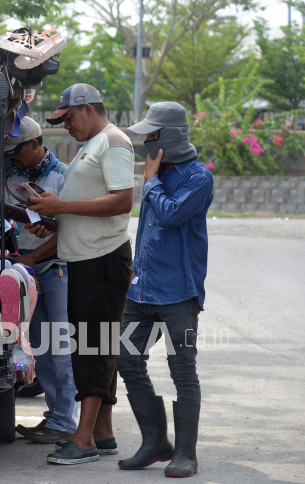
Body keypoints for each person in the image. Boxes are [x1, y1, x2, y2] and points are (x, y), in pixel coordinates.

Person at [27, 83, 135, 465]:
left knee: (93, 349)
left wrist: (63, 204)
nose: (66, 126)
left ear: (88, 109)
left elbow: (123, 200)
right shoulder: (94, 143)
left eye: (69, 118)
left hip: (104, 261)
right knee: (95, 346)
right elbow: (92, 205)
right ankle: (102, 434)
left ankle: (84, 438)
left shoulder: (114, 142)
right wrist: (58, 221)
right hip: (87, 258)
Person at [116, 102, 213, 477]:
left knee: (182, 370)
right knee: (126, 357)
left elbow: (171, 214)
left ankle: (186, 452)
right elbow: (147, 231)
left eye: (151, 135)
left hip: (178, 294)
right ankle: (155, 441)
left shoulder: (197, 178)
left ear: (170, 137)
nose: (145, 141)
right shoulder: (157, 172)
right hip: (142, 292)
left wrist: (151, 181)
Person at [0, 116, 78, 444]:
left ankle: (66, 422)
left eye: (16, 151)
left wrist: (32, 256)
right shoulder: (13, 176)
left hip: (56, 270)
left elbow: (71, 232)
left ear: (34, 144)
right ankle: (55, 419)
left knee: (61, 350)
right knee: (42, 351)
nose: (12, 158)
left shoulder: (65, 175)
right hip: (26, 271)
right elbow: (2, 218)